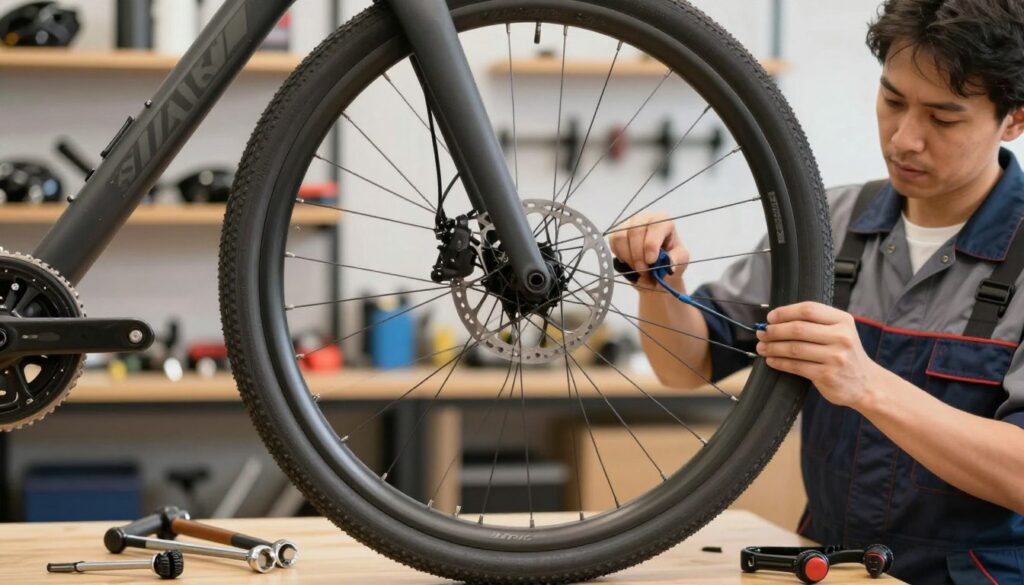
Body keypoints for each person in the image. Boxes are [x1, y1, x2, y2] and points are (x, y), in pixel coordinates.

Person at [609, 1, 1024, 582]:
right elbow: (689, 365)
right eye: (893, 101)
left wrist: (867, 384)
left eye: (944, 118)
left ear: (1013, 119)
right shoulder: (828, 223)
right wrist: (660, 284)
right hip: (836, 568)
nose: (905, 139)